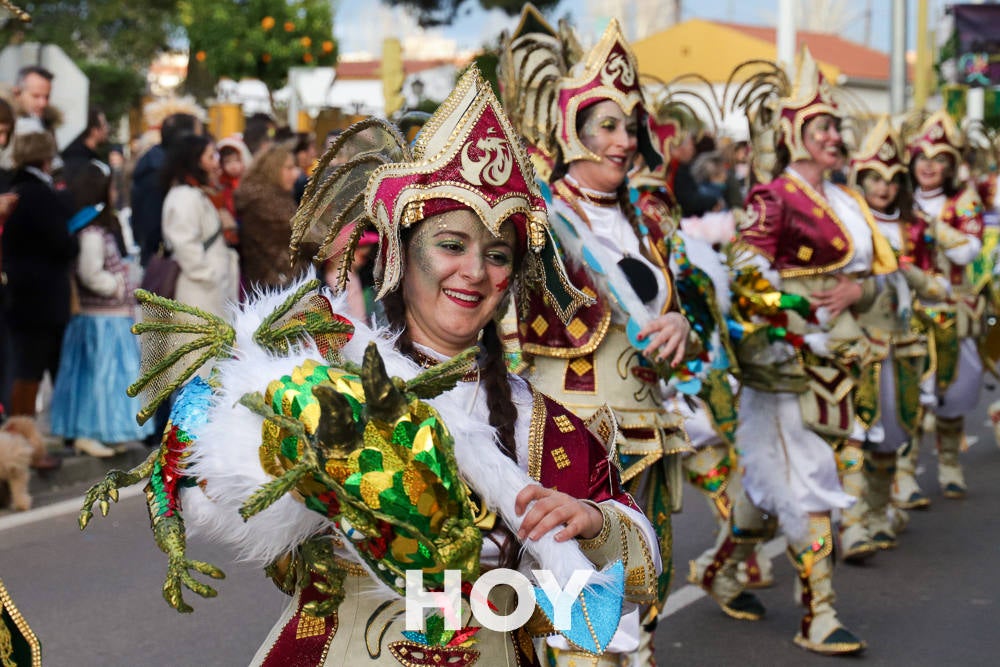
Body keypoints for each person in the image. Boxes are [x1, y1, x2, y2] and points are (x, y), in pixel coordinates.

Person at [80, 67, 660, 667]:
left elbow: (638, 574)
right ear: (399, 256)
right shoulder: (322, 373)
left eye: (496, 255)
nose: (474, 272)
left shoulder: (542, 423)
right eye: (451, 245)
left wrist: (591, 521)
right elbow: (223, 508)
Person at [501, 13, 691, 664]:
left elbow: (680, 315)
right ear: (570, 129)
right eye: (607, 125)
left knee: (643, 585)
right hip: (569, 439)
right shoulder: (536, 219)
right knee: (581, 611)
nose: (624, 141)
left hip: (650, 434)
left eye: (630, 126)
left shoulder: (649, 223)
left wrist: (680, 324)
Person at [730, 47, 897, 655]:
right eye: (822, 126)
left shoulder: (849, 201)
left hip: (846, 359)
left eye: (835, 126)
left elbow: (884, 278)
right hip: (788, 361)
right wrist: (793, 307)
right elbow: (744, 277)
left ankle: (722, 568)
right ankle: (818, 614)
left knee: (770, 487)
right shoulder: (773, 197)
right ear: (794, 133)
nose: (834, 135)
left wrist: (857, 290)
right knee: (809, 482)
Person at [840, 118, 960, 557]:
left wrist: (922, 279)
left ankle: (877, 514)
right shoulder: (847, 224)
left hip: (903, 344)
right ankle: (852, 524)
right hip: (855, 346)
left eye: (891, 179)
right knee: (856, 434)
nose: (883, 187)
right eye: (874, 177)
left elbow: (935, 281)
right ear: (860, 178)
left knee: (892, 436)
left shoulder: (915, 225)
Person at [898, 111, 986, 503]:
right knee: (909, 395)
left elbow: (969, 250)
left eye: (939, 159)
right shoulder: (897, 199)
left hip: (952, 311)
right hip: (906, 312)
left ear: (951, 165)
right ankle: (903, 474)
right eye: (922, 158)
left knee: (954, 393)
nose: (929, 166)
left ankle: (950, 464)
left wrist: (933, 227)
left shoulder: (962, 201)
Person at [50, 160, 153, 457]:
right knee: (98, 378)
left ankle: (102, 431)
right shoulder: (92, 234)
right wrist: (118, 285)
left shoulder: (91, 230)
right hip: (100, 320)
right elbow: (89, 274)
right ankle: (87, 431)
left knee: (105, 379)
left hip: (107, 318)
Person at [0, 126, 76, 470]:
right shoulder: (40, 194)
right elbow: (60, 243)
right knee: (31, 373)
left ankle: (26, 444)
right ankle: (25, 447)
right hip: (42, 295)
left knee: (27, 369)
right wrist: (73, 238)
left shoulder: (14, 189)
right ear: (46, 157)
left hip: (20, 292)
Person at [160, 133, 239, 322]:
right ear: (196, 162)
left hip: (209, 292)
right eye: (211, 157)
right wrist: (209, 275)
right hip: (199, 294)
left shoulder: (199, 194)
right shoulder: (184, 197)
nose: (217, 163)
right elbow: (185, 245)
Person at [131, 112, 202, 266]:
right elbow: (152, 227)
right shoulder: (157, 172)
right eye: (198, 137)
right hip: (167, 263)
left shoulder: (163, 166)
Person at [234, 143, 307, 291]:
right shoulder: (264, 202)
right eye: (289, 168)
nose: (295, 174)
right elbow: (307, 238)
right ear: (273, 169)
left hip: (280, 280)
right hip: (276, 285)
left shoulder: (275, 197)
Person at [60, 107, 109, 183]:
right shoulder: (85, 166)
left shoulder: (72, 156)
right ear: (94, 130)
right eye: (104, 124)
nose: (107, 128)